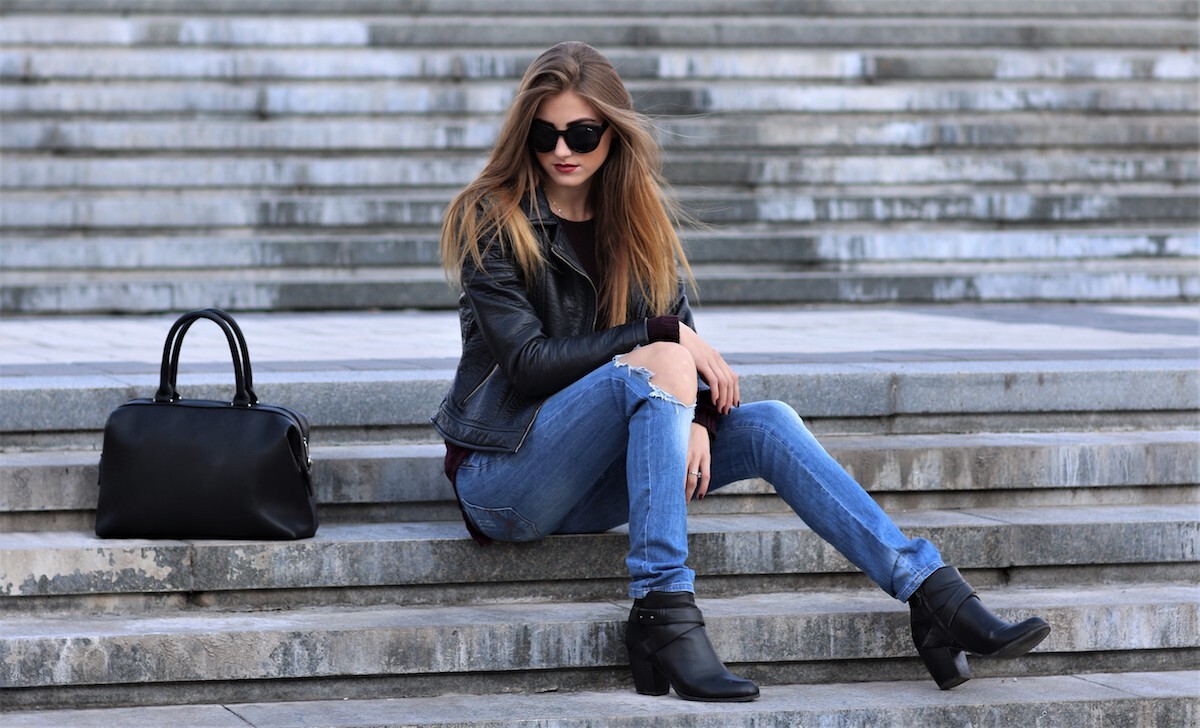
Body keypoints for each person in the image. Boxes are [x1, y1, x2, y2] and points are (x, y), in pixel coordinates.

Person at [431, 41, 1050, 703]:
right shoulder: (491, 218)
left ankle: (933, 596)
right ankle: (661, 612)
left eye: (581, 132)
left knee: (769, 424)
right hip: (507, 480)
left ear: (614, 134)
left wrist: (692, 417)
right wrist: (656, 349)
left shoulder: (636, 223)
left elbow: (677, 346)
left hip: (588, 478)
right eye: (545, 133)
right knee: (661, 357)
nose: (562, 149)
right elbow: (529, 366)